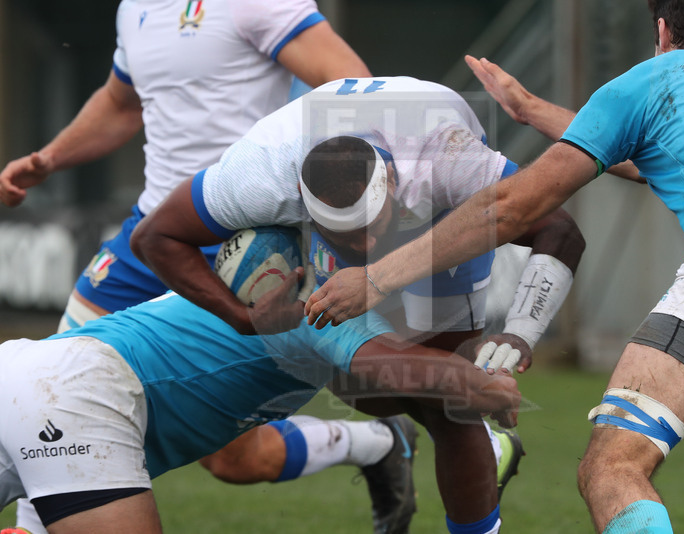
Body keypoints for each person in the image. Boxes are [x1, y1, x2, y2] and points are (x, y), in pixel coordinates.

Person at [304, 1, 684, 532]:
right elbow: (656, 156)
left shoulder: (653, 77)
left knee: (611, 467)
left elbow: (509, 207)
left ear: (662, 28)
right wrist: (531, 109)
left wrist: (377, 277)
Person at [0, 1, 405, 533]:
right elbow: (122, 103)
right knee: (42, 403)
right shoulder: (136, 8)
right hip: (148, 238)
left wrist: (328, 211)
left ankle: (379, 442)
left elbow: (349, 86)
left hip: (237, 245)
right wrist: (50, 158)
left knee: (234, 461)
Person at [129, 74, 584, 533]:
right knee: (368, 392)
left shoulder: (446, 163)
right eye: (345, 234)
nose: (366, 245)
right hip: (329, 171)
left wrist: (519, 333)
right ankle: (409, 440)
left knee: (452, 403)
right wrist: (241, 318)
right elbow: (154, 236)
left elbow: (560, 230)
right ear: (303, 208)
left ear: (389, 182)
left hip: (436, 209)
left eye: (372, 224)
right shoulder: (262, 175)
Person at [0, 226, 521, 534]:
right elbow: (379, 366)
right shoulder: (324, 297)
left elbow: (380, 385)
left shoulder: (306, 283)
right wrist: (483, 385)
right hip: (77, 394)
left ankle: (381, 448)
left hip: (26, 371)